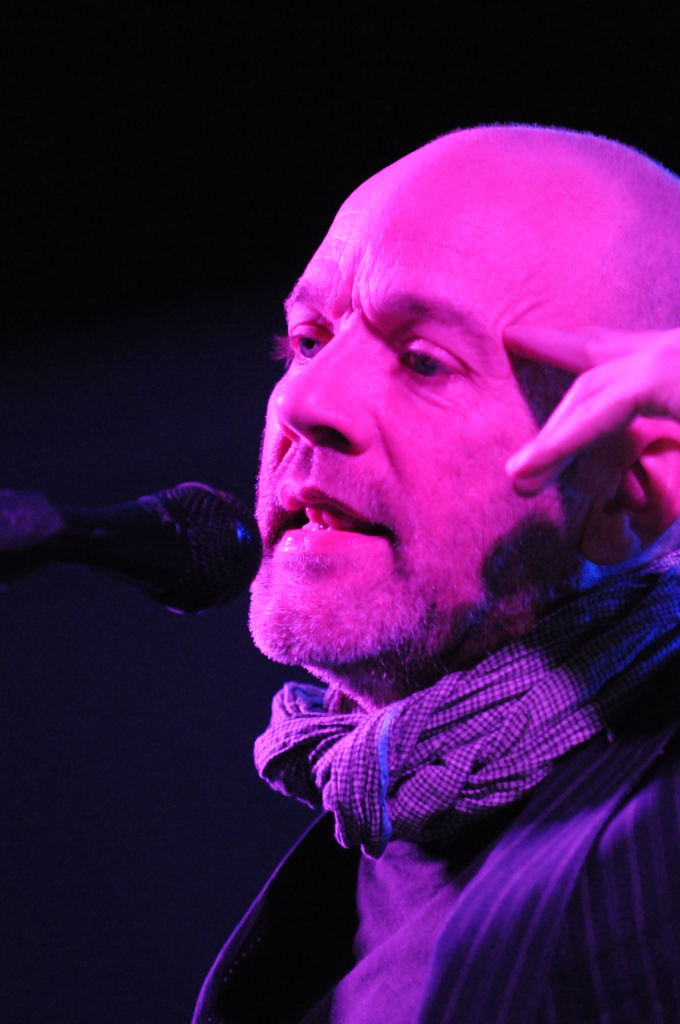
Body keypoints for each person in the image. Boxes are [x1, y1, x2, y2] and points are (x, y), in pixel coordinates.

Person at [193, 125, 680, 1023]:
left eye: (423, 360)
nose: (305, 401)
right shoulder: (351, 862)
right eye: (308, 342)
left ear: (632, 485)